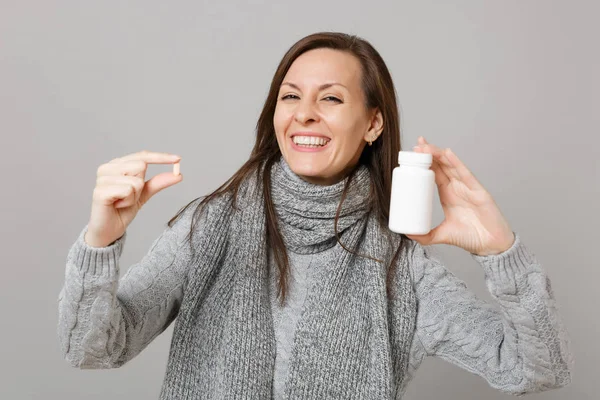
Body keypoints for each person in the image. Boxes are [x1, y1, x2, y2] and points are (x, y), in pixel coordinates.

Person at [57, 32, 573, 399]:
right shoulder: (208, 226)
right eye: (290, 96)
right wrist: (101, 242)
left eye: (331, 98)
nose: (304, 113)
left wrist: (501, 252)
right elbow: (93, 349)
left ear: (373, 124)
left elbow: (534, 368)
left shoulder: (400, 266)